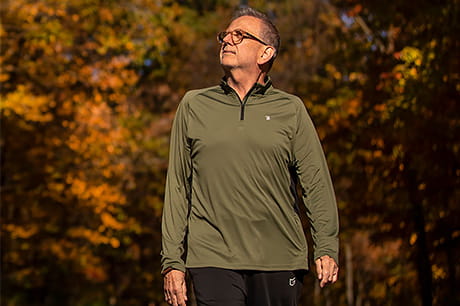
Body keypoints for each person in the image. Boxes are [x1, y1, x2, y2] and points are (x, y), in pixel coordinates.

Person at [161, 7, 339, 306]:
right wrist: (172, 262)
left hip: (279, 257)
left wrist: (326, 246)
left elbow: (315, 183)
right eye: (225, 35)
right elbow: (177, 188)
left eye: (239, 35)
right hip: (211, 256)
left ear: (265, 53)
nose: (227, 40)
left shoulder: (291, 109)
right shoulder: (194, 105)